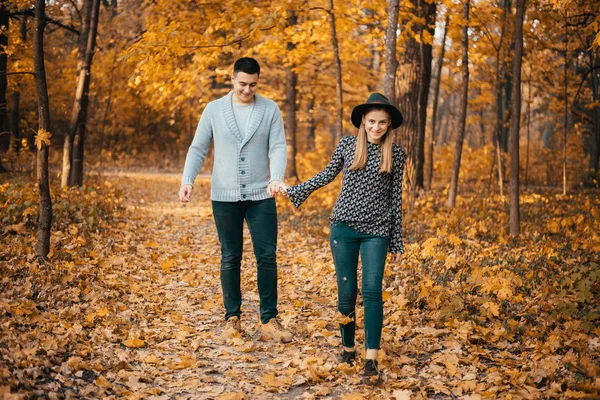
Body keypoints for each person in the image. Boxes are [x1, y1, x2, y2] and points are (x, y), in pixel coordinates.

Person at [281, 93, 405, 378]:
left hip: (377, 231)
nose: (376, 127)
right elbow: (326, 175)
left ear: (389, 125)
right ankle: (348, 348)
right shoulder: (348, 146)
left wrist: (396, 240)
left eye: (382, 123)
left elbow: (396, 200)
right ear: (363, 121)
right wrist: (295, 190)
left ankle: (371, 359)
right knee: (347, 293)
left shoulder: (395, 155)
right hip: (343, 229)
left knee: (372, 291)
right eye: (372, 121)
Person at [179, 57, 292, 343]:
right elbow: (197, 148)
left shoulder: (269, 109)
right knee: (231, 256)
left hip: (261, 196)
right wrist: (187, 180)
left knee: (266, 256)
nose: (247, 90)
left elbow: (278, 146)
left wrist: (276, 177)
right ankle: (232, 318)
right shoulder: (214, 109)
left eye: (253, 84)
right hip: (224, 196)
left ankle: (269, 319)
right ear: (233, 79)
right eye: (242, 84)